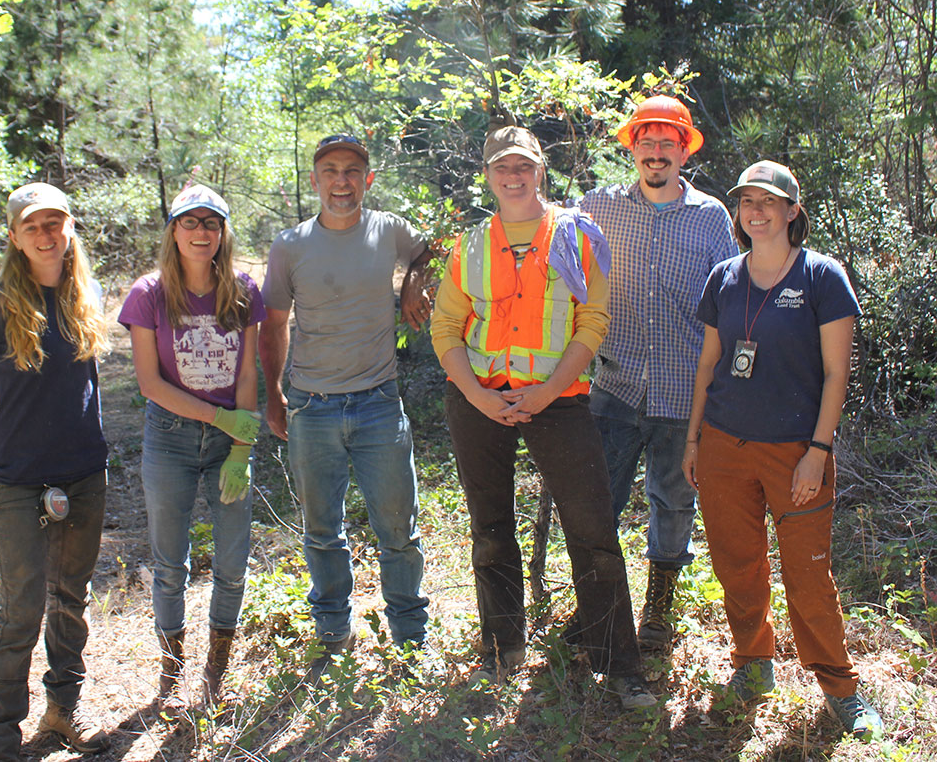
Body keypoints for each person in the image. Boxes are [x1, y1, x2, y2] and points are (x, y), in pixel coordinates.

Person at [430, 124, 654, 708]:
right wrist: (479, 396)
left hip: (559, 401)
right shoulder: (470, 244)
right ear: (487, 174)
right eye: (502, 167)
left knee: (594, 532)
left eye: (523, 166)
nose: (513, 176)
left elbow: (593, 320)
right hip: (480, 401)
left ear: (540, 171)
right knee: (490, 528)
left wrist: (551, 389)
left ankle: (619, 666)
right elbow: (445, 327)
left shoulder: (577, 234)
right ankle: (502, 651)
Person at [683, 160, 884, 739]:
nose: (758, 213)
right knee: (736, 563)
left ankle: (839, 687)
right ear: (738, 213)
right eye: (748, 203)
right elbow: (707, 364)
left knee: (808, 574)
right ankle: (754, 665)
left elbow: (836, 374)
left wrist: (818, 451)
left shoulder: (822, 277)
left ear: (793, 211)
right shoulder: (723, 276)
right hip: (723, 445)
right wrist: (693, 440)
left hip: (795, 451)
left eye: (770, 203)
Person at [0, 182, 112, 761]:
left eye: (55, 223)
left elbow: (84, 388)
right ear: (14, 236)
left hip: (84, 474)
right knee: (22, 609)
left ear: (69, 230)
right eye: (32, 226)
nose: (45, 234)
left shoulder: (82, 293)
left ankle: (65, 709)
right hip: (17, 480)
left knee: (72, 600)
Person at [260, 134, 432, 675]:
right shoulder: (291, 245)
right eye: (330, 171)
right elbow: (272, 326)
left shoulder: (389, 230)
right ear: (314, 180)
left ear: (368, 180)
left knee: (398, 529)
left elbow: (434, 249)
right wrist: (274, 393)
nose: (341, 181)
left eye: (352, 171)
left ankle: (409, 637)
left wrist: (411, 285)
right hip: (313, 406)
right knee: (321, 529)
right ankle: (332, 630)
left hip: (380, 402)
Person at [580, 95, 738, 654]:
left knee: (673, 501)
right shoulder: (597, 206)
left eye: (667, 142)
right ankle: (597, 607)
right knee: (598, 501)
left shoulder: (712, 216)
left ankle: (658, 612)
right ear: (633, 148)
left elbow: (731, 295)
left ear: (684, 150)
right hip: (614, 384)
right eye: (646, 142)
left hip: (684, 390)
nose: (655, 152)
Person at [118, 184, 265, 709]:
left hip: (230, 439)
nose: (201, 232)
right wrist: (218, 415)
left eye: (211, 223)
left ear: (223, 232)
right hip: (171, 439)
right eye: (190, 222)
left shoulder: (243, 289)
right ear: (173, 231)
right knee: (170, 564)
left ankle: (215, 674)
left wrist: (241, 446)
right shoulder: (148, 294)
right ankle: (170, 674)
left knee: (231, 561)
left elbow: (248, 371)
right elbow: (150, 384)